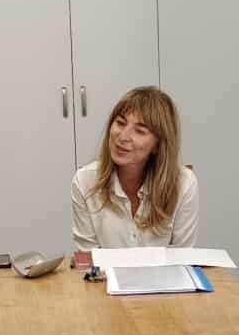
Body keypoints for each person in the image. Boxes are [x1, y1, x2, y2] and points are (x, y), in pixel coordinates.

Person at [71, 86, 200, 249]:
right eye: (120, 123)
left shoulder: (184, 184)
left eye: (139, 131)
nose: (123, 137)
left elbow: (182, 257)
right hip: (103, 268)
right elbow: (88, 258)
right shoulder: (84, 181)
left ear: (158, 145)